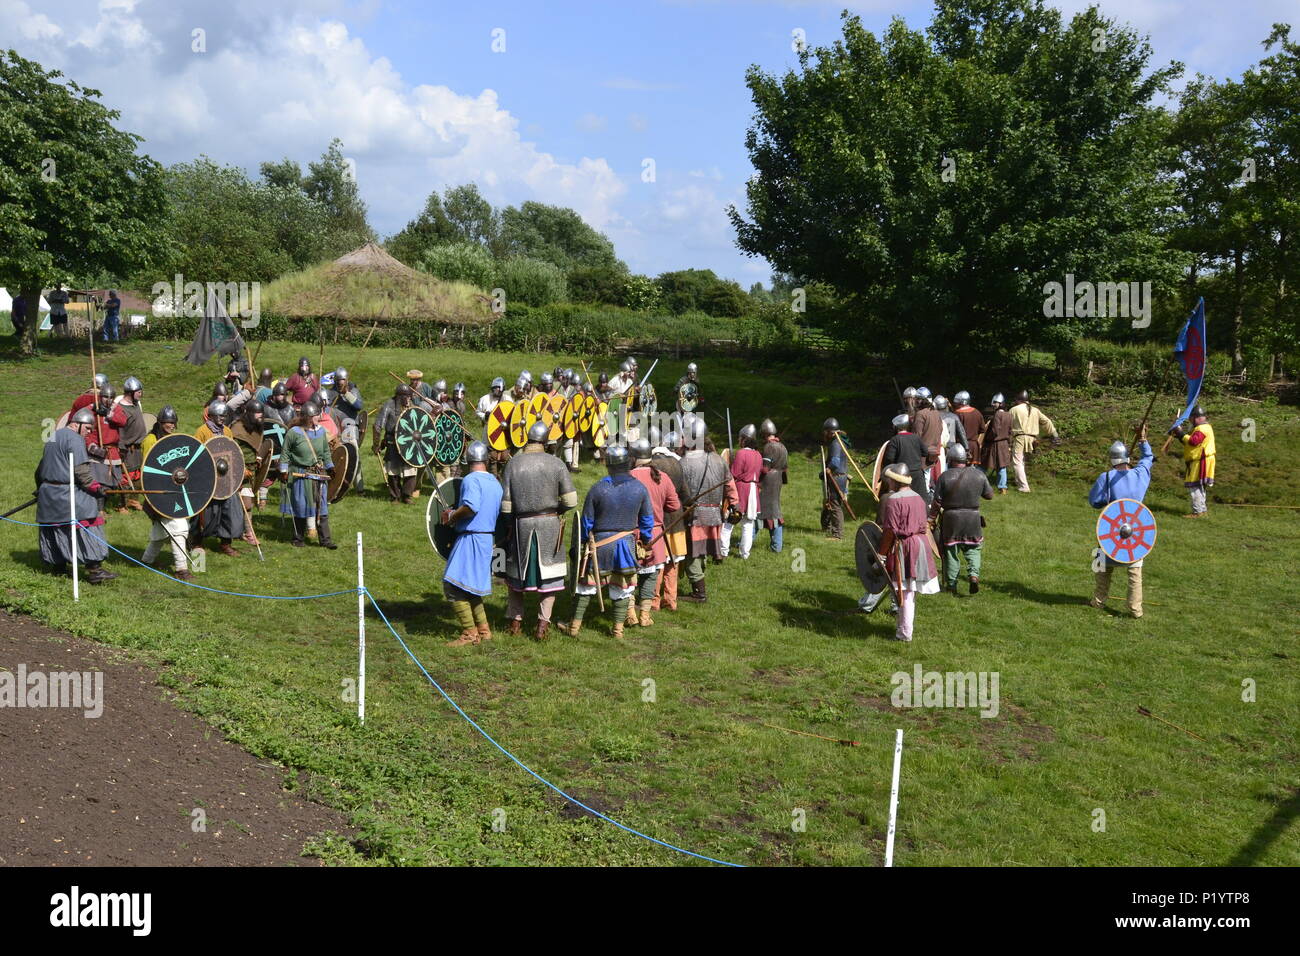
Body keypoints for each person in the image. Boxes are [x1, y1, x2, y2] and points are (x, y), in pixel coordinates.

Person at [557, 445, 654, 639]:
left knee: (586, 585)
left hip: (599, 546)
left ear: (608, 465)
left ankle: (574, 627)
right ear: (628, 463)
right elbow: (646, 521)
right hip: (626, 545)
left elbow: (586, 522)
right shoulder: (639, 489)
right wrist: (645, 540)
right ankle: (617, 630)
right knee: (621, 586)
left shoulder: (598, 488)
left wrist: (582, 544)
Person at [499, 422, 578, 641]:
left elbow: (506, 506)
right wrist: (556, 510)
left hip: (520, 526)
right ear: (545, 441)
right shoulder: (556, 463)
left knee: (516, 579)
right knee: (549, 581)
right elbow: (571, 500)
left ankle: (515, 622)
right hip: (549, 525)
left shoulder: (513, 464)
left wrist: (508, 524)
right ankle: (542, 625)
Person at [35, 408, 117, 583]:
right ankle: (95, 570)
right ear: (76, 424)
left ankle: (59, 567)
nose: (88, 433)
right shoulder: (76, 439)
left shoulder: (53, 436)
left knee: (56, 528)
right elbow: (82, 473)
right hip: (66, 494)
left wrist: (40, 489)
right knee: (90, 517)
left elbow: (41, 468)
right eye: (87, 428)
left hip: (49, 494)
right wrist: (97, 488)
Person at [442, 442, 503, 647]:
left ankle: (469, 633)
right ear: (485, 460)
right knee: (471, 588)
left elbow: (471, 507)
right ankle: (484, 630)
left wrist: (452, 515)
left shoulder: (471, 479)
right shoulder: (495, 482)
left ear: (469, 461)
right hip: (486, 538)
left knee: (452, 585)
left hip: (471, 537)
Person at [1088, 434, 1153, 618]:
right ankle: (1135, 609)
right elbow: (1148, 459)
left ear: (1112, 459)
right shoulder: (1140, 474)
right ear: (1128, 459)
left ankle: (1098, 600)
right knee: (1135, 570)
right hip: (1134, 531)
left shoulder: (1106, 477)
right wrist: (1143, 442)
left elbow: (1094, 501)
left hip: (1113, 530)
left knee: (1100, 561)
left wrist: (1106, 502)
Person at [876, 463, 940, 642]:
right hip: (920, 544)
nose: (888, 482)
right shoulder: (919, 498)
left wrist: (881, 555)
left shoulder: (894, 500)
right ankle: (903, 628)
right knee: (908, 591)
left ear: (896, 481)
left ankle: (904, 633)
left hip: (906, 547)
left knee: (906, 591)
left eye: (890, 479)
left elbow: (890, 530)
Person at [679, 420, 737, 603]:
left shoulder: (684, 461)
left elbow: (678, 490)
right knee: (701, 551)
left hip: (694, 515)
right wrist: (736, 505)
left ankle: (699, 592)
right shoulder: (718, 459)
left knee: (692, 553)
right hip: (714, 514)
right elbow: (730, 485)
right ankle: (699, 585)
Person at [630, 438, 682, 627]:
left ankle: (631, 614)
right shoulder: (662, 477)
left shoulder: (628, 477)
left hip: (632, 535)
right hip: (655, 536)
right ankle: (644, 615)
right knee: (650, 576)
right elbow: (674, 505)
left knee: (630, 575)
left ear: (633, 456)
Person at [931, 444, 994, 595]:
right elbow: (989, 495)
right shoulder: (979, 475)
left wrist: (931, 518)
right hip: (972, 518)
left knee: (951, 552)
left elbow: (937, 501)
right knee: (974, 550)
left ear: (951, 459)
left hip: (951, 520)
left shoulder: (945, 476)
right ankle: (973, 576)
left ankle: (952, 585)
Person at [140, 406, 193, 581]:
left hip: (174, 489)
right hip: (157, 491)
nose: (170, 425)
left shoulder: (172, 439)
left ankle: (146, 561)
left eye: (172, 422)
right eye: (167, 422)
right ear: (160, 423)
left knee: (161, 530)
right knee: (178, 527)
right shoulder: (151, 439)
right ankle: (181, 569)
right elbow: (149, 469)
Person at [190, 401, 248, 557]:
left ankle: (225, 543)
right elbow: (195, 455)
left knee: (229, 510)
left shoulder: (227, 431)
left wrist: (237, 472)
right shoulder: (202, 431)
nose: (222, 418)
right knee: (203, 513)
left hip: (225, 477)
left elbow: (232, 451)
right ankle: (196, 542)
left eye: (224, 416)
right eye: (220, 416)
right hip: (207, 478)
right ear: (213, 415)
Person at [279, 401, 336, 549]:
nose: (319, 417)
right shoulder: (294, 433)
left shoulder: (321, 431)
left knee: (321, 507)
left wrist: (330, 467)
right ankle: (298, 538)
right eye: (316, 415)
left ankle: (325, 540)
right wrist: (284, 471)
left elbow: (325, 452)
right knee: (301, 507)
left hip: (318, 474)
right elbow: (285, 453)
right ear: (308, 418)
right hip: (300, 475)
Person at [650, 430, 689, 611]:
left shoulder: (652, 464)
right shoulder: (677, 463)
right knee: (673, 561)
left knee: (658, 562)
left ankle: (654, 601)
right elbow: (684, 493)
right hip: (676, 517)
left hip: (658, 518)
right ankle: (671, 600)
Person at [374, 384, 421, 504]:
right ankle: (395, 496)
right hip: (392, 442)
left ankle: (406, 495)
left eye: (410, 397)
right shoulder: (389, 405)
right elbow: (378, 426)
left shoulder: (412, 407)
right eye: (406, 397)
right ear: (400, 396)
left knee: (410, 469)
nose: (408, 399)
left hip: (409, 443)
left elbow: (419, 423)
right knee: (393, 471)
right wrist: (376, 444)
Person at [722, 424, 762, 560]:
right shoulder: (758, 454)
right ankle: (744, 554)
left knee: (729, 521)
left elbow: (735, 474)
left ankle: (723, 551)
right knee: (748, 524)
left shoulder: (741, 453)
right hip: (753, 491)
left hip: (741, 490)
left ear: (744, 439)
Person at [1009, 389, 1060, 493]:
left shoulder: (1014, 409)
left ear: (1019, 400)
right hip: (1032, 439)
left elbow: (1007, 424)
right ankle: (1019, 481)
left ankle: (1024, 487)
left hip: (1020, 438)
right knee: (1021, 462)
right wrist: (1055, 435)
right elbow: (1047, 422)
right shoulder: (1035, 410)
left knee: (1017, 462)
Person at [1169, 405, 1215, 518]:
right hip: (1200, 461)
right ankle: (1202, 511)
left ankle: (1198, 512)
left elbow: (1194, 441)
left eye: (1191, 418)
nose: (1190, 420)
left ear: (1197, 418)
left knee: (1195, 486)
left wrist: (1181, 433)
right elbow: (1190, 444)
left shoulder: (1202, 429)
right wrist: (1180, 436)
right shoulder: (1203, 428)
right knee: (1199, 486)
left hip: (1201, 462)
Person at [882, 413, 930, 507]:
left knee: (901, 500)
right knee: (921, 500)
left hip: (902, 475)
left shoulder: (895, 440)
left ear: (897, 427)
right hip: (917, 473)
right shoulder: (916, 437)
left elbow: (889, 459)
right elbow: (925, 452)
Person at [115, 376, 148, 513]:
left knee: (136, 476)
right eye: (139, 392)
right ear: (131, 392)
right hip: (126, 449)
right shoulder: (121, 409)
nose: (141, 394)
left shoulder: (135, 405)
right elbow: (119, 432)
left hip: (137, 448)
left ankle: (133, 501)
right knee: (124, 477)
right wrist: (121, 450)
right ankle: (121, 504)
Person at [758, 419, 787, 553]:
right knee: (774, 511)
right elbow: (785, 468)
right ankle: (776, 546)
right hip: (778, 479)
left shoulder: (769, 447)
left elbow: (765, 469)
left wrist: (755, 478)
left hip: (768, 480)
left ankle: (744, 543)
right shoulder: (783, 447)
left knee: (761, 512)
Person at [821, 417, 849, 539]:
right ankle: (826, 526)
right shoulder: (839, 441)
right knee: (829, 503)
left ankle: (837, 534)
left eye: (826, 431)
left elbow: (835, 462)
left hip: (836, 477)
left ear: (830, 432)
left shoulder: (835, 443)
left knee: (834, 505)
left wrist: (828, 470)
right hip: (839, 476)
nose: (824, 434)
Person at [911, 393, 943, 494]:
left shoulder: (921, 414)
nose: (915, 401)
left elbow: (916, 436)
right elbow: (940, 430)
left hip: (921, 455)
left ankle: (924, 503)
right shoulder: (936, 413)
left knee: (921, 482)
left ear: (921, 400)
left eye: (917, 399)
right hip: (933, 452)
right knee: (927, 477)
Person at [984, 394, 1013, 494]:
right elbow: (1010, 431)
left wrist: (987, 439)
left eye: (996, 403)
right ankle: (1003, 487)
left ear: (1001, 403)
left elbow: (994, 431)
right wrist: (1009, 444)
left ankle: (980, 483)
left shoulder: (997, 415)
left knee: (986, 464)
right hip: (1004, 443)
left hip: (995, 443)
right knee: (1002, 466)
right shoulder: (1009, 414)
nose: (994, 405)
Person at [952, 391, 985, 467]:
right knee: (972, 470)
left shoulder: (957, 413)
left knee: (960, 470)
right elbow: (982, 429)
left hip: (961, 446)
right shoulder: (977, 412)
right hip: (974, 446)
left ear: (961, 402)